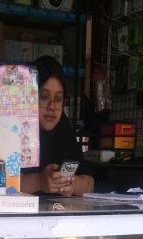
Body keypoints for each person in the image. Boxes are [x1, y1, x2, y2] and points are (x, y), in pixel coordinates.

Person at [21, 56, 94, 197]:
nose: (52, 106)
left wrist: (71, 183)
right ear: (29, 97)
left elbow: (90, 184)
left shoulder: (64, 131)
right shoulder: (14, 130)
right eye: (44, 97)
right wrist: (39, 181)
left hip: (58, 210)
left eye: (58, 99)